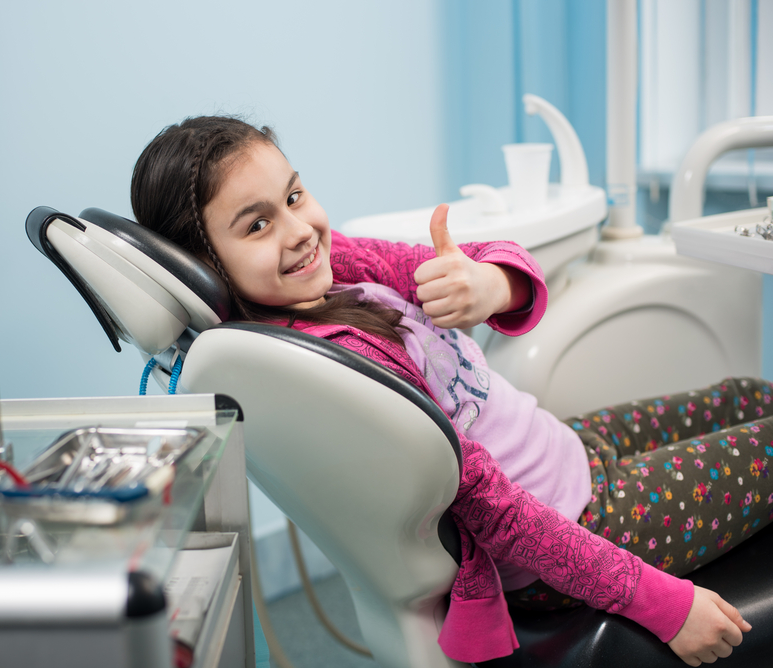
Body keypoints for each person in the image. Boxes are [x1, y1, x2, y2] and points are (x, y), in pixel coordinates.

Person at [130, 115, 761, 665]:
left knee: (746, 395)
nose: (298, 229)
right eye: (258, 224)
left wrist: (491, 284)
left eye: (294, 195)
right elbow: (496, 512)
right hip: (583, 525)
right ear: (206, 264)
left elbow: (479, 256)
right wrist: (664, 604)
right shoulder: (343, 363)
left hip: (572, 449)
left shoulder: (335, 266)